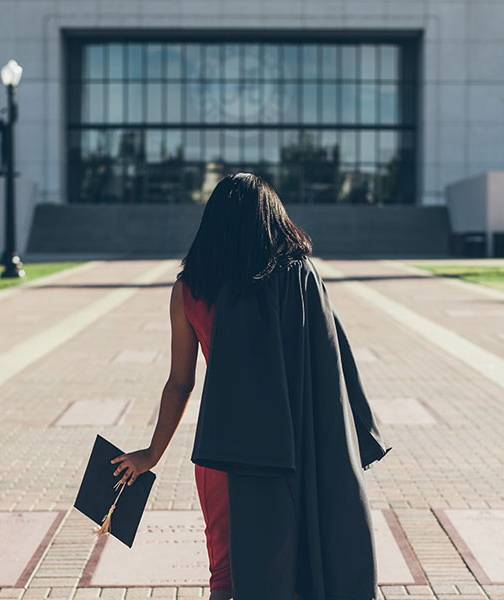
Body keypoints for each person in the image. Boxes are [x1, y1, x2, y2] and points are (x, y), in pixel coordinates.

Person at [110, 172, 393, 600]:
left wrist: (152, 453)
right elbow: (328, 364)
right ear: (271, 220)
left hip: (224, 449)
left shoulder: (190, 290)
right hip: (295, 445)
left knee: (227, 573)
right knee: (292, 560)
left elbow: (180, 383)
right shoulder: (297, 279)